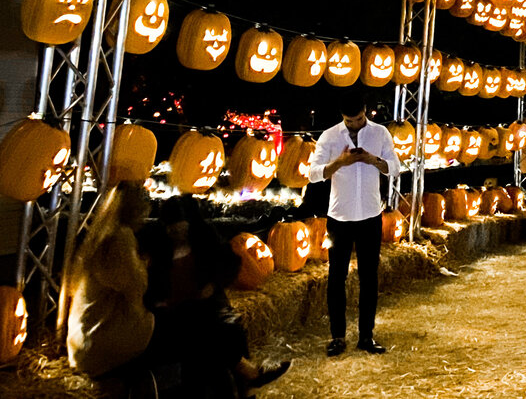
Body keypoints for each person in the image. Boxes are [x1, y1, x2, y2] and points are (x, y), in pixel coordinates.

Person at [139, 194, 290, 396]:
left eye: (180, 225)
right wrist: (158, 301)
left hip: (203, 305)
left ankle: (242, 382)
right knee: (207, 333)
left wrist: (212, 284)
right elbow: (149, 286)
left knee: (226, 330)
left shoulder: (204, 238)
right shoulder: (158, 247)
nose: (176, 230)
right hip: (170, 313)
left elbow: (229, 263)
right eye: (171, 226)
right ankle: (248, 373)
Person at [308, 94, 401, 357]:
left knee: (369, 278)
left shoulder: (380, 133)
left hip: (371, 215)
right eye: (350, 120)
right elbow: (313, 174)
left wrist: (373, 160)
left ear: (365, 112)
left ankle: (366, 336)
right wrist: (339, 162)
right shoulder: (329, 136)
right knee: (337, 278)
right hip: (340, 217)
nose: (356, 124)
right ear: (342, 117)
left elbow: (395, 167)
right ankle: (337, 337)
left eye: (359, 118)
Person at [64, 182, 155, 378]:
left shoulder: (99, 234)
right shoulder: (120, 238)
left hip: (82, 342)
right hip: (99, 343)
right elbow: (136, 285)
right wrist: (143, 266)